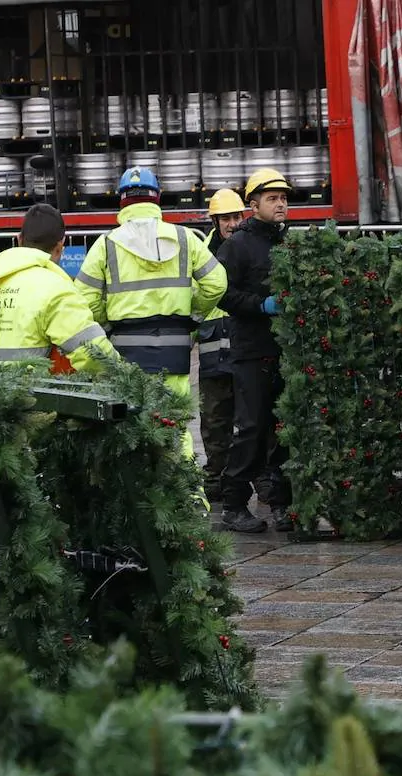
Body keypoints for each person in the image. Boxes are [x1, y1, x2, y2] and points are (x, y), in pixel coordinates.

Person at [73, 166, 228, 463]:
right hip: (175, 348)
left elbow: (83, 298)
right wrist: (193, 317)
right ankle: (190, 500)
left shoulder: (106, 245)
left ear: (121, 201)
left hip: (126, 351)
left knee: (130, 430)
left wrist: (107, 325)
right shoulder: (185, 239)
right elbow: (217, 282)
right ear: (157, 198)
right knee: (175, 427)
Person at [217, 168, 294, 534]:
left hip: (284, 350)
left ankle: (281, 504)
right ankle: (233, 504)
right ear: (253, 205)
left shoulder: (286, 242)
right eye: (272, 199)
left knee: (284, 428)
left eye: (283, 198)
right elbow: (223, 294)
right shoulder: (237, 245)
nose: (280, 204)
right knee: (251, 427)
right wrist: (261, 305)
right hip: (251, 350)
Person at [0, 203, 117, 372]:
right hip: (36, 393)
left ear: (19, 239)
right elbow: (92, 352)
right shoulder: (56, 289)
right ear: (59, 248)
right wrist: (124, 374)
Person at [195, 188, 245, 504]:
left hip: (244, 345)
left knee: (253, 419)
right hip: (214, 348)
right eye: (226, 218)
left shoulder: (249, 247)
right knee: (215, 421)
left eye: (236, 216)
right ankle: (215, 479)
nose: (232, 223)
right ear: (215, 220)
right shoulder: (202, 253)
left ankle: (257, 480)